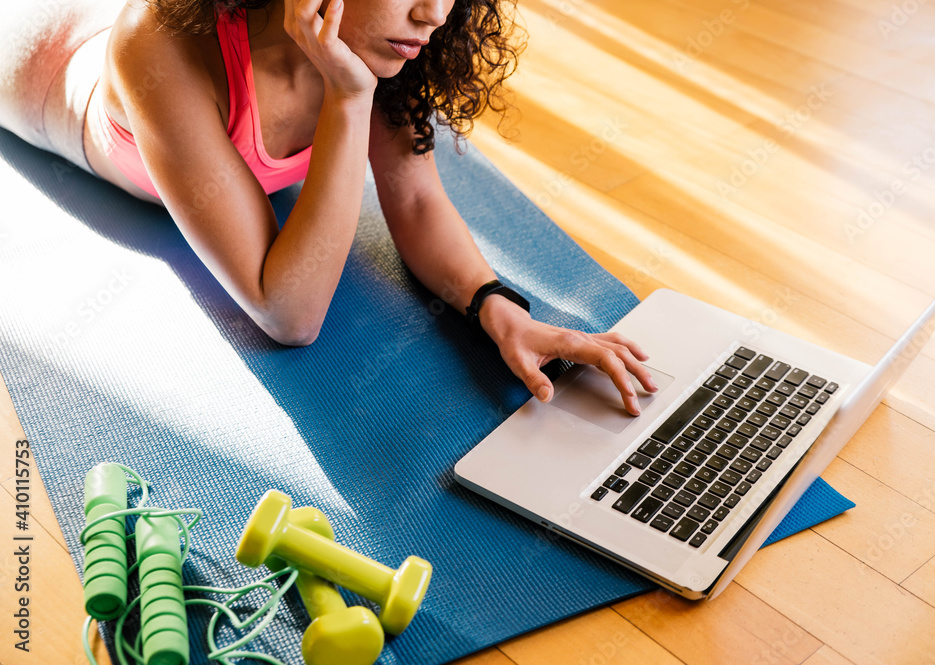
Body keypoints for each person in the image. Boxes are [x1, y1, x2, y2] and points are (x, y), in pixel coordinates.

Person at [0, 0, 657, 414]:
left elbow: (418, 197)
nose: (434, 13)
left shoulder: (384, 40)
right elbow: (288, 313)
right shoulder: (158, 43)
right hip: (35, 48)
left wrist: (498, 306)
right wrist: (349, 97)